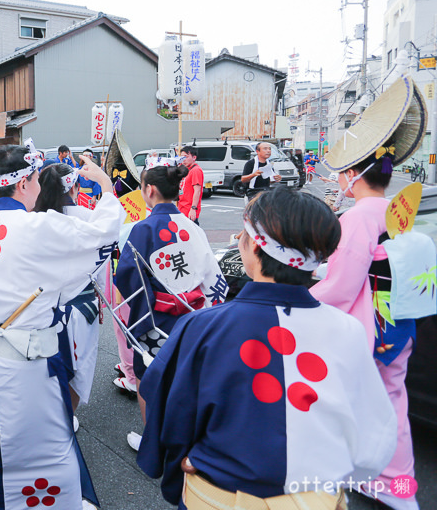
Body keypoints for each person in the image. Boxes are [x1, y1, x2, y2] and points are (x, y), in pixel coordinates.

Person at [137, 186, 398, 509]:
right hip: (315, 498)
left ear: (253, 247)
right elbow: (376, 434)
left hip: (218, 496)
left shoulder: (203, 326)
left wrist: (179, 461)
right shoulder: (347, 330)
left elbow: (169, 409)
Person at [0, 143, 126, 510]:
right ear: (24, 183)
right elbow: (103, 235)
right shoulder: (39, 226)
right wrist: (108, 190)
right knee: (47, 447)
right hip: (35, 366)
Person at [310, 76, 426, 510]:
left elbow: (341, 285)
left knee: (359, 405)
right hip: (400, 320)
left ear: (352, 174)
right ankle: (398, 485)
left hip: (370, 329)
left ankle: (374, 481)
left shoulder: (358, 218)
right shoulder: (398, 212)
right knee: (393, 405)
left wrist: (304, 298)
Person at [114, 163, 226, 452]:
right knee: (186, 379)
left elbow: (129, 278)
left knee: (147, 377)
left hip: (156, 320)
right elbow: (212, 276)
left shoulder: (142, 229)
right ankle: (188, 440)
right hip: (194, 319)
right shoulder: (192, 227)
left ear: (149, 190)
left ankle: (154, 443)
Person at [34, 163, 107, 421]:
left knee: (46, 365)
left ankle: (51, 415)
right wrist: (102, 298)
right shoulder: (89, 218)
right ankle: (68, 415)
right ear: (76, 187)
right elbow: (101, 266)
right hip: (83, 306)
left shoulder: (34, 220)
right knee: (80, 365)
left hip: (43, 307)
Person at [176, 145, 204, 224]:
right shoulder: (185, 170)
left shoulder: (195, 170)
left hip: (189, 209)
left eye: (186, 156)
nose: (183, 159)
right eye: (182, 157)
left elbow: (197, 191)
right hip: (182, 208)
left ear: (194, 157)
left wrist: (193, 208)